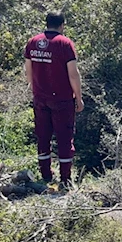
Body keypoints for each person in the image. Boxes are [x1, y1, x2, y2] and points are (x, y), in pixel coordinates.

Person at [24, 11, 84, 186]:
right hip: (62, 100)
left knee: (43, 136)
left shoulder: (32, 42)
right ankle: (65, 180)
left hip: (40, 98)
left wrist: (35, 89)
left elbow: (29, 71)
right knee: (64, 138)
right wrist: (78, 98)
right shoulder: (65, 44)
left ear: (47, 23)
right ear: (62, 25)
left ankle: (46, 176)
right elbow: (73, 74)